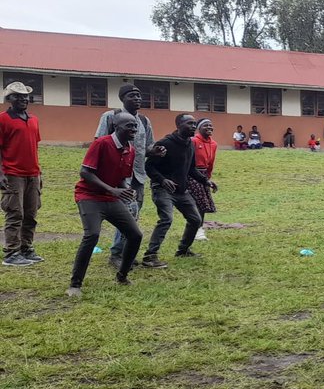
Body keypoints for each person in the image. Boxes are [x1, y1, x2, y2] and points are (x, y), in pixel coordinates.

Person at [68, 112, 143, 297]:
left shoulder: (130, 149)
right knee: (92, 235)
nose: (133, 129)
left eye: (135, 126)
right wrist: (112, 190)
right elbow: (85, 172)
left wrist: (126, 190)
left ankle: (122, 276)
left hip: (111, 199)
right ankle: (75, 285)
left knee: (135, 235)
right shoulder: (102, 143)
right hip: (89, 196)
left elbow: (121, 179)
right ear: (117, 127)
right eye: (129, 126)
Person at [96, 84, 163, 269]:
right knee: (124, 215)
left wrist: (155, 151)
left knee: (133, 216)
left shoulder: (144, 120)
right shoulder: (110, 116)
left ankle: (126, 251)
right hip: (117, 178)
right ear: (122, 98)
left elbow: (147, 147)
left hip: (138, 176)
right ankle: (117, 254)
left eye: (139, 95)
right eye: (132, 95)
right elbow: (99, 143)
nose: (137, 99)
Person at [142, 114, 216, 268]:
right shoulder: (165, 143)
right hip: (162, 189)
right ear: (179, 125)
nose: (193, 127)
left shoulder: (189, 143)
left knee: (195, 219)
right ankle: (150, 256)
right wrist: (162, 180)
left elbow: (191, 169)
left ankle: (183, 250)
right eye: (190, 124)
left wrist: (205, 181)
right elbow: (149, 166)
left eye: (195, 124)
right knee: (166, 219)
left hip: (181, 190)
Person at [0, 82, 43, 267]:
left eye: (25, 96)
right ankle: (11, 252)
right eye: (18, 96)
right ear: (9, 99)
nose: (23, 99)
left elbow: (34, 146)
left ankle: (27, 248)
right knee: (15, 213)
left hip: (33, 174)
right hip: (12, 173)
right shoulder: (2, 119)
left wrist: (40, 173)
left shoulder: (33, 119)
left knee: (31, 214)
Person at [191, 118, 219, 241]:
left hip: (204, 175)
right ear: (199, 128)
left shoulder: (214, 144)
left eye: (211, 125)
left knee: (202, 204)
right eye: (205, 125)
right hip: (192, 173)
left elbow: (211, 162)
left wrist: (208, 176)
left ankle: (199, 228)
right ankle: (195, 228)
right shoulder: (193, 141)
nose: (209, 127)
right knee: (197, 203)